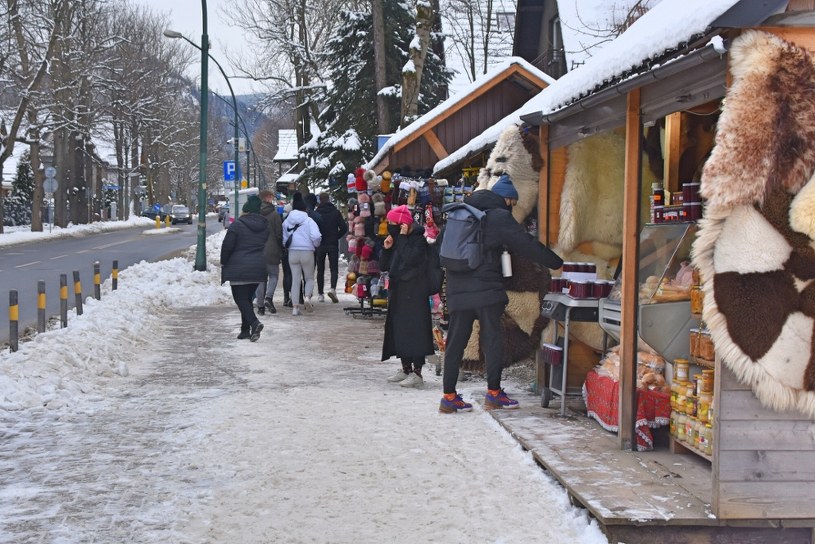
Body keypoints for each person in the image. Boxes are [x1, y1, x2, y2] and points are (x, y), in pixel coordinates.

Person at [439, 174, 563, 413]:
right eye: (513, 203)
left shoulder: (459, 214)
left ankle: (448, 397)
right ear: (506, 199)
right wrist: (556, 262)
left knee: (455, 342)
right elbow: (525, 244)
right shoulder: (498, 217)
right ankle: (494, 394)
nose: (513, 207)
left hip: (458, 290)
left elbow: (441, 251)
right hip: (486, 290)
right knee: (492, 340)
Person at [380, 205, 435, 388]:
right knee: (400, 330)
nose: (389, 226)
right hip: (398, 290)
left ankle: (417, 372)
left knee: (415, 331)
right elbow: (385, 265)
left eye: (392, 222)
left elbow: (411, 259)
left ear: (403, 224)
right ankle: (405, 368)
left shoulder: (418, 240)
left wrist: (402, 239)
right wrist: (387, 248)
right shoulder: (397, 239)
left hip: (415, 291)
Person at [220, 194, 268, 342]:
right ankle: (245, 330)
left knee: (240, 299)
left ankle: (254, 323)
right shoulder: (265, 225)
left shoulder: (237, 225)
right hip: (258, 267)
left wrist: (223, 261)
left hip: (239, 268)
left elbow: (227, 246)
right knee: (247, 299)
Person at [282, 192, 322, 316]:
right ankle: (307, 298)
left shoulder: (287, 220)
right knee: (309, 277)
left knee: (295, 279)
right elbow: (316, 236)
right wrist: (315, 245)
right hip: (307, 252)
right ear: (305, 208)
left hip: (292, 252)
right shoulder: (309, 220)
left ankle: (295, 307)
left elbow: (284, 238)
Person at [315, 192, 348, 303]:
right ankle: (333, 289)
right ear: (329, 199)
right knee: (334, 268)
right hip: (333, 243)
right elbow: (343, 227)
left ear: (320, 200)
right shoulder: (335, 212)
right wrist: (336, 236)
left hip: (320, 243)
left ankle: (320, 294)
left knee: (320, 269)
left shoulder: (317, 213)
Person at [255, 189, 283, 315]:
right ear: (267, 198)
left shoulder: (254, 214)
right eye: (271, 197)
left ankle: (260, 306)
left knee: (260, 279)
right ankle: (269, 297)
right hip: (272, 250)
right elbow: (279, 234)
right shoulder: (275, 215)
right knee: (273, 276)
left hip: (257, 250)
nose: (273, 200)